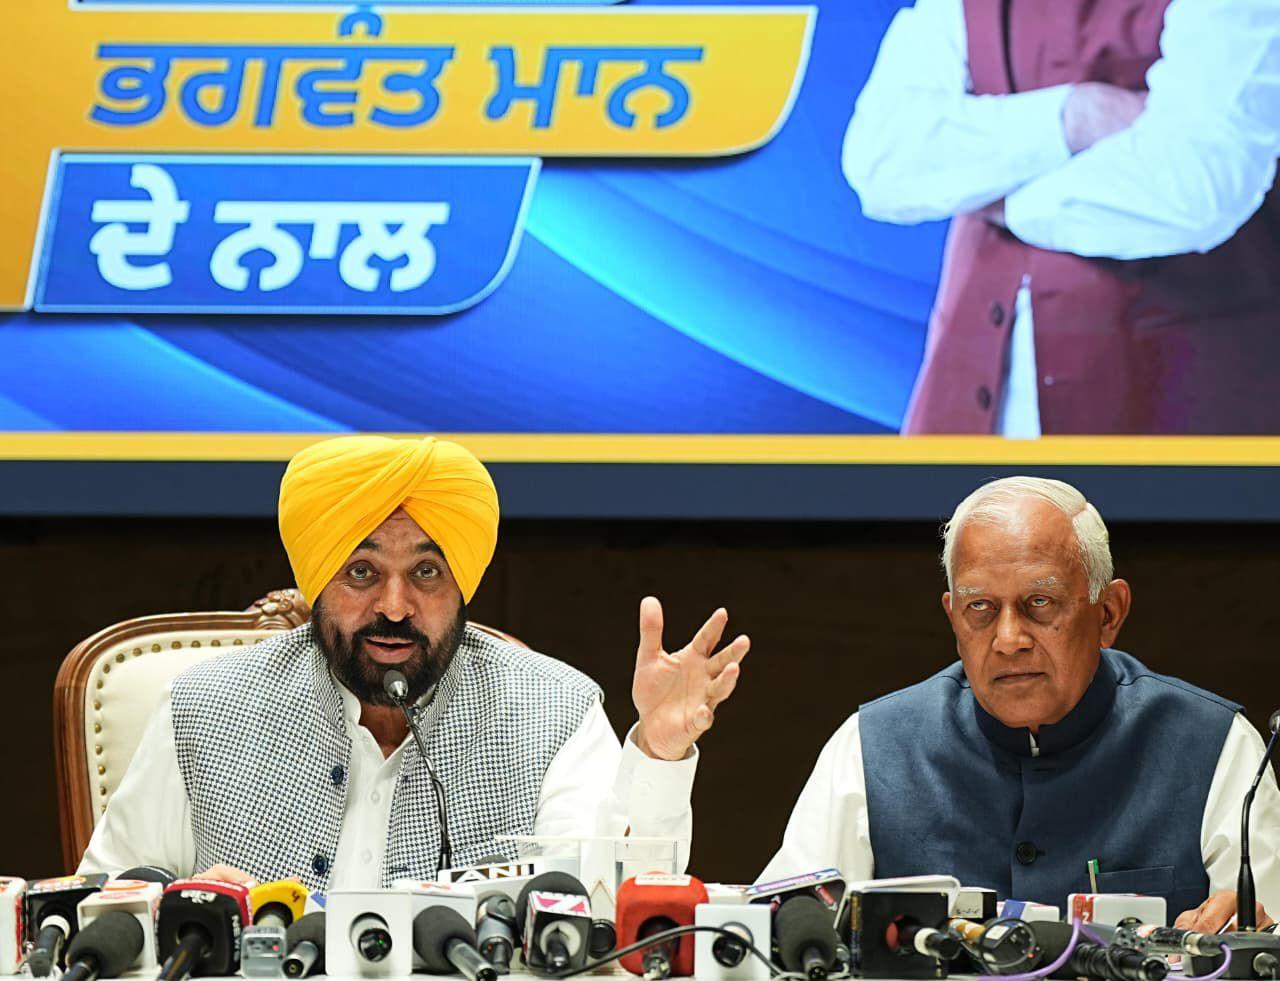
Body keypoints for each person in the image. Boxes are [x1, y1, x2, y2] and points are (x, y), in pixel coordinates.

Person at [79, 435, 749, 888]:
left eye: (426, 571)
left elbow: (610, 911)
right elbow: (105, 902)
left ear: (462, 586)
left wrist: (658, 754)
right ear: (317, 583)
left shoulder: (552, 709)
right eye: (361, 571)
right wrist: (179, 907)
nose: (394, 606)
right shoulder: (207, 707)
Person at [762, 476, 1280, 931]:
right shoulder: (871, 747)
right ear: (953, 619)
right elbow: (782, 934)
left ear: (1108, 613)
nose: (1009, 639)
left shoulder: (1213, 745)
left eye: (1040, 603)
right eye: (980, 608)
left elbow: (1263, 934)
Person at [842, 0, 1280, 435]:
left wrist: (1001, 202)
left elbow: (1198, 185)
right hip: (961, 401)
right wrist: (1075, 117)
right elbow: (880, 158)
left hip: (1180, 399)